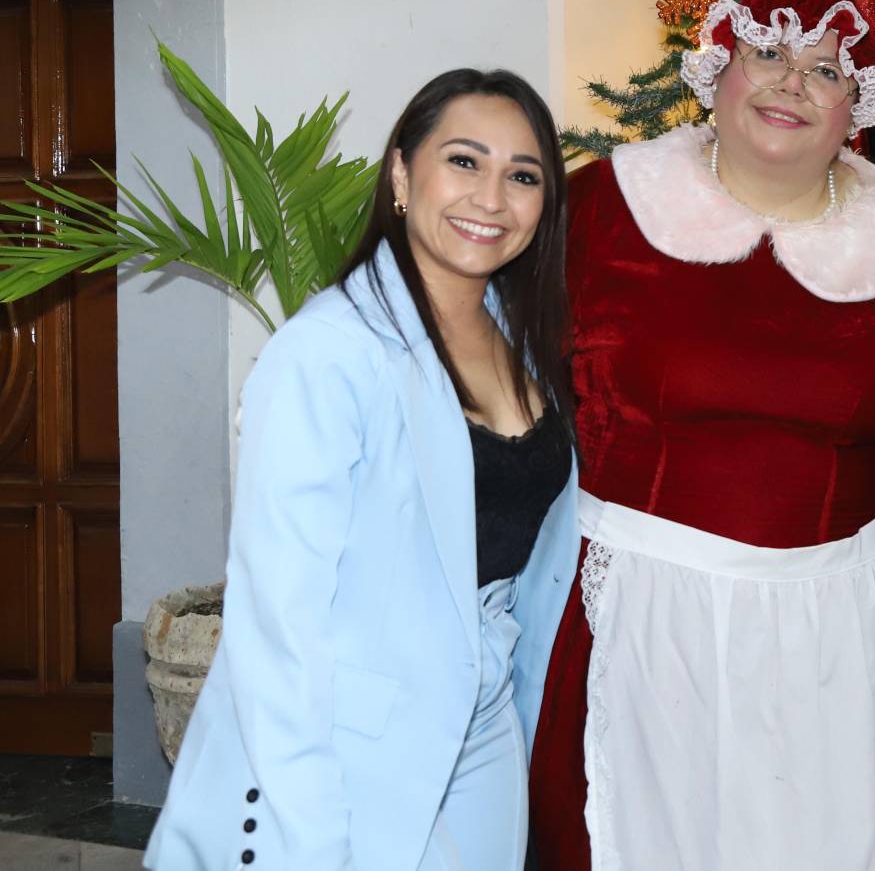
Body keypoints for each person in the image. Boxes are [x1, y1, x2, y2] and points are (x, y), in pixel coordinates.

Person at [529, 0, 875, 871]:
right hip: (639, 624)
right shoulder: (601, 211)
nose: (791, 84)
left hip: (848, 638)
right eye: (768, 54)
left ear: (858, 103)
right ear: (717, 70)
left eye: (826, 69)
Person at [145, 69, 580, 871]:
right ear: (401, 176)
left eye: (523, 175)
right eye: (463, 160)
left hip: (486, 723)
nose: (492, 196)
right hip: (351, 735)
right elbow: (278, 625)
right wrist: (307, 831)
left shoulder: (522, 339)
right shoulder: (329, 352)